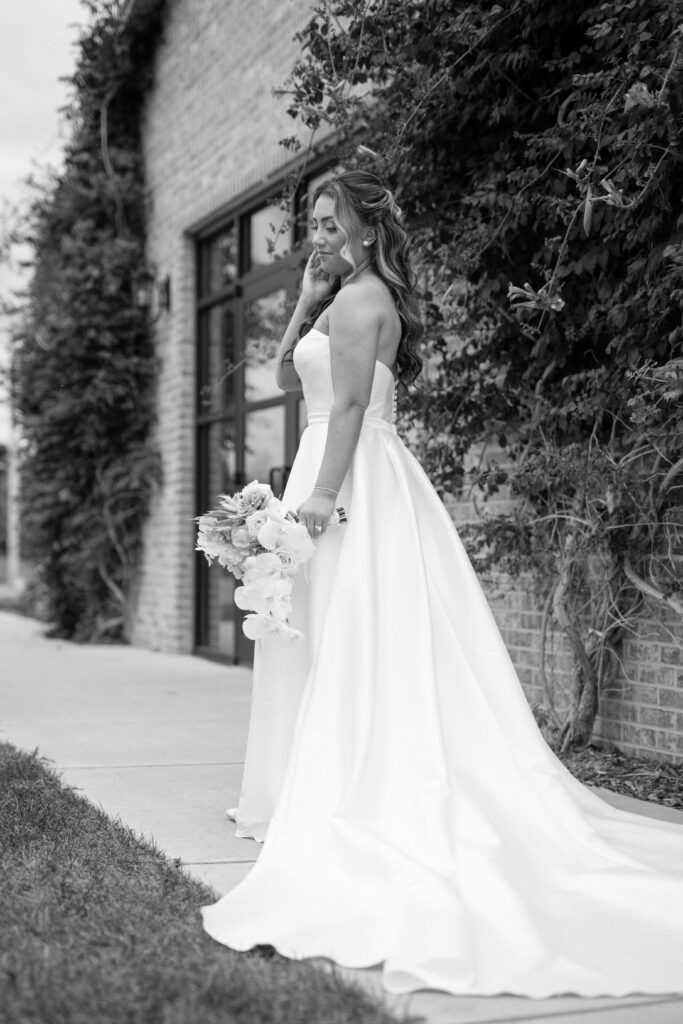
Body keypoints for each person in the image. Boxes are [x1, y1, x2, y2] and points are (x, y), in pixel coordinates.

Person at [202, 170, 683, 998]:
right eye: (310, 223)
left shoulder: (365, 302)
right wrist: (300, 303)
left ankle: (358, 785)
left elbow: (347, 409)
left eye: (328, 222)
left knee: (354, 630)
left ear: (365, 225)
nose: (314, 235)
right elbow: (288, 381)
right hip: (328, 466)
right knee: (318, 629)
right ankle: (303, 784)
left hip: (346, 480)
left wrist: (319, 496)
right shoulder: (339, 295)